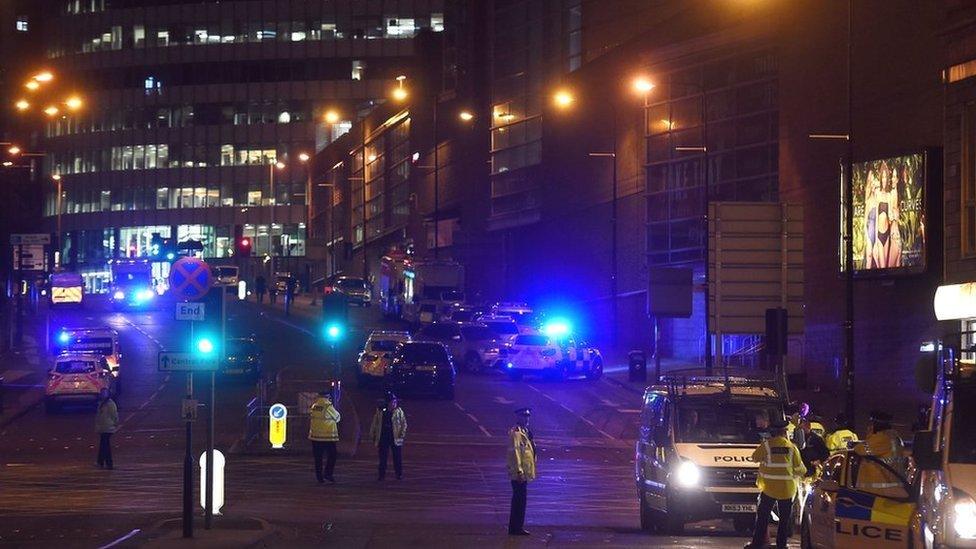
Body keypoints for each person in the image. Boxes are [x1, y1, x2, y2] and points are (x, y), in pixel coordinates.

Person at [745, 419, 805, 549]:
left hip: (769, 489)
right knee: (784, 520)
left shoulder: (766, 446)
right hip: (787, 489)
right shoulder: (791, 447)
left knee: (762, 518)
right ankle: (781, 546)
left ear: (772, 432)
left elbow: (754, 458)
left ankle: (757, 544)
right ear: (785, 432)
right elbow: (801, 469)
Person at [854, 410, 906, 492]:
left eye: (872, 423)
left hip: (879, 489)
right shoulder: (895, 438)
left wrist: (870, 434)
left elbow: (859, 450)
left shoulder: (882, 438)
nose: (870, 426)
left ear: (877, 425)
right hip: (890, 486)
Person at [507, 407, 536, 536]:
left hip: (524, 472)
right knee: (518, 501)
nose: (526, 419)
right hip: (519, 474)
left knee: (521, 501)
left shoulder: (526, 432)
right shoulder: (516, 433)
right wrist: (519, 471)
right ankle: (515, 528)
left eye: (528, 416)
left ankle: (518, 526)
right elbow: (515, 453)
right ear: (518, 417)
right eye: (524, 416)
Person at [370, 392, 407, 480]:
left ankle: (399, 474)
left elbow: (404, 423)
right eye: (392, 402)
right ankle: (381, 475)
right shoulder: (380, 412)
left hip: (396, 437)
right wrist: (373, 434)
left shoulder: (399, 411)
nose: (394, 403)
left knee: (397, 457)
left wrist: (402, 434)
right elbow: (375, 423)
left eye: (395, 402)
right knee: (383, 458)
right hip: (383, 437)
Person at [308, 390, 341, 483]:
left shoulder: (314, 406)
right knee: (332, 455)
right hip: (328, 437)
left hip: (315, 437)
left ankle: (319, 477)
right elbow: (338, 417)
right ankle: (328, 474)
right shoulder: (328, 406)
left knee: (318, 458)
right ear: (328, 397)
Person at [95, 388, 119, 470]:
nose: (103, 395)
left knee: (105, 445)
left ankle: (107, 463)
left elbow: (114, 415)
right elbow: (98, 416)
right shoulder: (101, 403)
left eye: (104, 393)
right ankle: (101, 461)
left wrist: (115, 424)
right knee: (103, 445)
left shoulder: (110, 404)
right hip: (102, 427)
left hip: (108, 427)